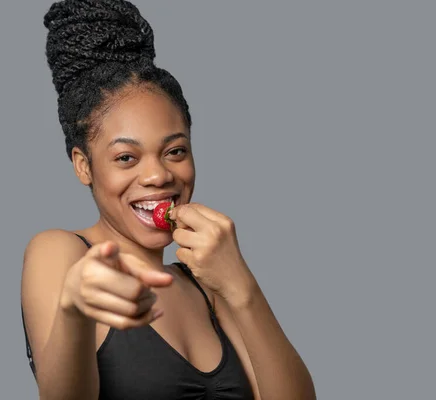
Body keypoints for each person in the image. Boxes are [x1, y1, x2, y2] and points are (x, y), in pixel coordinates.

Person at [21, 1, 316, 399]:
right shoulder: (61, 253)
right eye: (126, 157)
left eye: (175, 151)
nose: (158, 174)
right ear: (83, 166)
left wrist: (241, 285)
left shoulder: (206, 285)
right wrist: (75, 310)